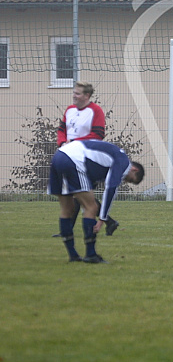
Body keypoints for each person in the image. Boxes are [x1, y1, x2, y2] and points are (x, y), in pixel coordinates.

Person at [48, 140, 144, 263]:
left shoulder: (103, 163)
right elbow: (111, 188)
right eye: (131, 180)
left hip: (59, 156)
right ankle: (90, 254)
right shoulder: (123, 161)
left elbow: (90, 182)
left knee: (67, 209)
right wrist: (102, 219)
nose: (126, 181)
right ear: (134, 169)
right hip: (74, 159)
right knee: (91, 207)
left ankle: (73, 256)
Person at [54, 81, 120, 236]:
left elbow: (98, 135)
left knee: (78, 192)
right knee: (77, 192)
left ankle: (70, 229)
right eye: (74, 92)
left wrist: (75, 143)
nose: (74, 96)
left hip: (86, 158)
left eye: (77, 93)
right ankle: (109, 222)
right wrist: (63, 142)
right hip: (69, 155)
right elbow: (61, 130)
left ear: (87, 96)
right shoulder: (69, 110)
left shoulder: (95, 111)